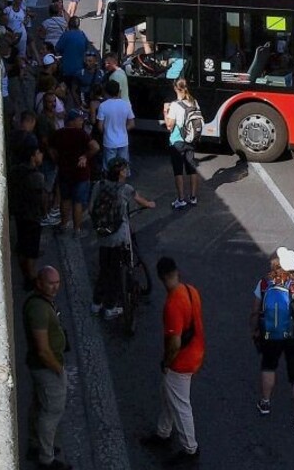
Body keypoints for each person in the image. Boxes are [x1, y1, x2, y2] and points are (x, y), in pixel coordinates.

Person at [143, 256, 204, 464]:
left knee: (180, 404)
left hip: (181, 362)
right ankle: (163, 432)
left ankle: (190, 448)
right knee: (168, 394)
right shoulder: (191, 290)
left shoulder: (172, 305)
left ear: (160, 277)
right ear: (176, 272)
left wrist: (166, 362)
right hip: (196, 351)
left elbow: (175, 343)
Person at [254, 247, 294, 433]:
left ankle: (265, 403)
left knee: (269, 365)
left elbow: (256, 310)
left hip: (271, 333)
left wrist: (254, 329)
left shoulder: (264, 283)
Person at [89, 157, 155, 319]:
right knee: (118, 271)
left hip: (102, 235)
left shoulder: (99, 185)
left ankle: (96, 304)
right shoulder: (125, 189)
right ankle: (110, 307)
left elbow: (91, 209)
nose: (126, 172)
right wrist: (150, 204)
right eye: (124, 170)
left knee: (104, 269)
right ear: (120, 173)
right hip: (120, 237)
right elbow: (142, 202)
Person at [24, 266, 71, 470]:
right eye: (50, 283)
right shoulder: (39, 309)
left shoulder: (41, 303)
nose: (55, 287)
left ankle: (38, 445)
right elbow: (43, 350)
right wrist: (58, 370)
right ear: (39, 283)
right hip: (47, 369)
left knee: (40, 407)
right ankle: (46, 458)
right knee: (51, 411)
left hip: (43, 366)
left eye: (57, 282)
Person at [53, 108, 99, 235]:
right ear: (72, 121)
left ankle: (63, 225)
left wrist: (57, 160)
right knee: (78, 202)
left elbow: (51, 149)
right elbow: (95, 147)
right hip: (80, 173)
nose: (81, 122)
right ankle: (77, 229)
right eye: (79, 120)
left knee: (65, 199)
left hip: (64, 172)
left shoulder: (59, 133)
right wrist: (85, 156)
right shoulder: (81, 134)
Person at [8, 141, 47, 290]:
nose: (41, 155)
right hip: (32, 216)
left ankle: (26, 274)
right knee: (31, 250)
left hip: (20, 214)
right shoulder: (37, 176)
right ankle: (31, 279)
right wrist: (45, 211)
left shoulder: (16, 170)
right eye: (38, 153)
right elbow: (41, 198)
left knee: (23, 246)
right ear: (32, 157)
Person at [163, 78, 200, 210]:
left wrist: (165, 111)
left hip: (177, 141)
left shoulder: (174, 105)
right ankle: (193, 197)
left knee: (178, 171)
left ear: (175, 89)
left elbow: (169, 126)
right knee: (191, 168)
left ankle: (181, 199)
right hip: (190, 139)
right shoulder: (194, 102)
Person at [97, 79, 135, 167]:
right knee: (123, 167)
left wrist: (107, 132)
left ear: (105, 92)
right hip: (123, 141)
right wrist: (123, 130)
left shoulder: (103, 106)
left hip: (109, 142)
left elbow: (100, 127)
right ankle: (122, 180)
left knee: (110, 167)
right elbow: (132, 124)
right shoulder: (126, 105)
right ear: (119, 91)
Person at [55, 16, 89, 92]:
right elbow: (86, 48)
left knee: (64, 89)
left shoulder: (66, 35)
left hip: (67, 69)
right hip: (79, 69)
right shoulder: (82, 35)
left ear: (69, 25)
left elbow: (57, 48)